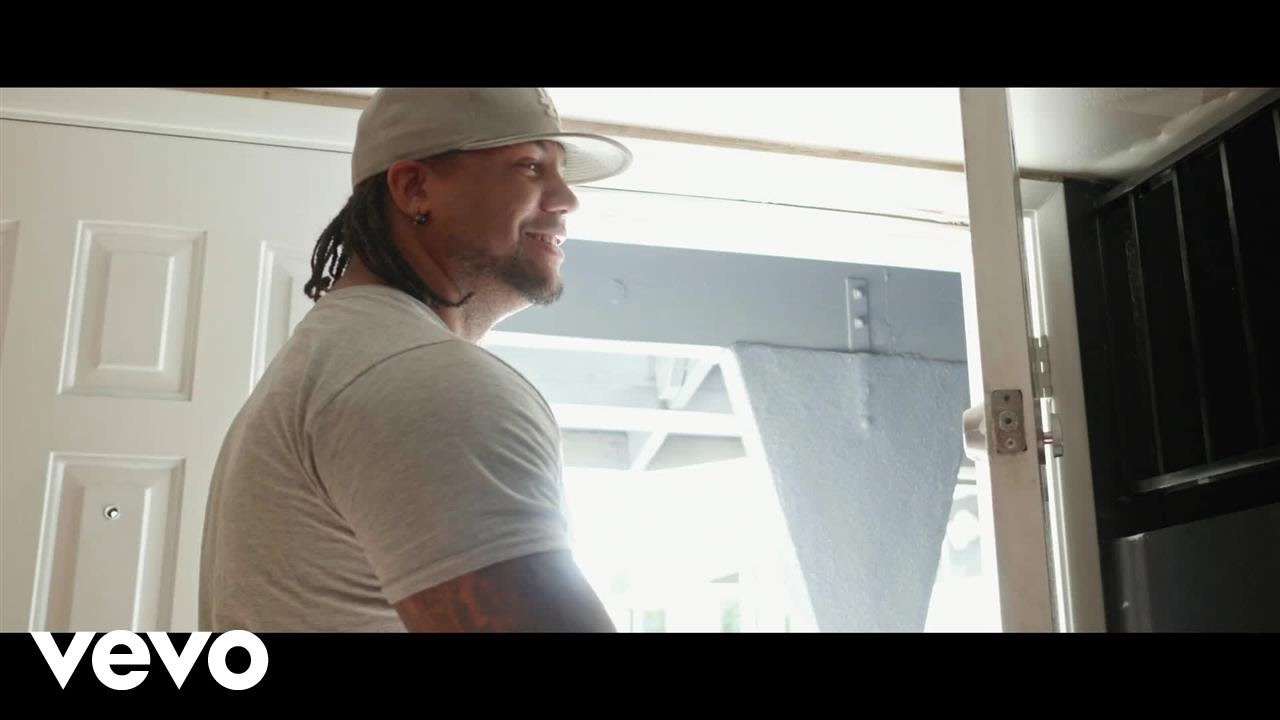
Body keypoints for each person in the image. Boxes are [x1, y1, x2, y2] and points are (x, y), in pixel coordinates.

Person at [198, 88, 633, 632]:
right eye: (529, 166)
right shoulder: (425, 381)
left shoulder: (345, 358)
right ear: (414, 188)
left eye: (561, 172)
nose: (568, 199)